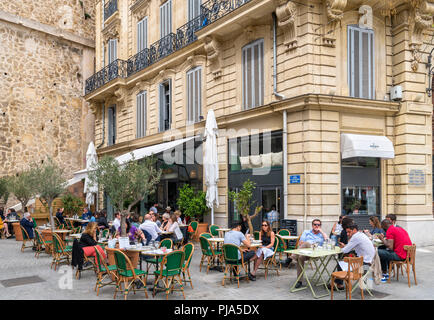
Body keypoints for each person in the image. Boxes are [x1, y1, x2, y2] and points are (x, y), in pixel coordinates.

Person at [333, 223, 376, 289]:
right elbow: (352, 247)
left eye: (349, 232)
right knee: (347, 260)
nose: (347, 234)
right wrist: (345, 247)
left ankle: (338, 284)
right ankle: (340, 283)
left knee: (340, 264)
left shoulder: (356, 237)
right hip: (369, 263)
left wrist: (342, 247)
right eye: (347, 232)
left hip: (364, 267)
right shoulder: (361, 235)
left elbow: (345, 251)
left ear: (354, 230)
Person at [290, 219, 328, 288]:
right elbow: (301, 243)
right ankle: (299, 281)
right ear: (312, 225)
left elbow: (328, 241)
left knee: (307, 243)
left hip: (315, 253)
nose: (316, 226)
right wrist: (304, 244)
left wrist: (321, 231)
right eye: (315, 224)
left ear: (320, 226)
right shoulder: (306, 232)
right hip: (306, 252)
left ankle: (291, 258)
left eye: (318, 225)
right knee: (300, 257)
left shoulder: (322, 234)